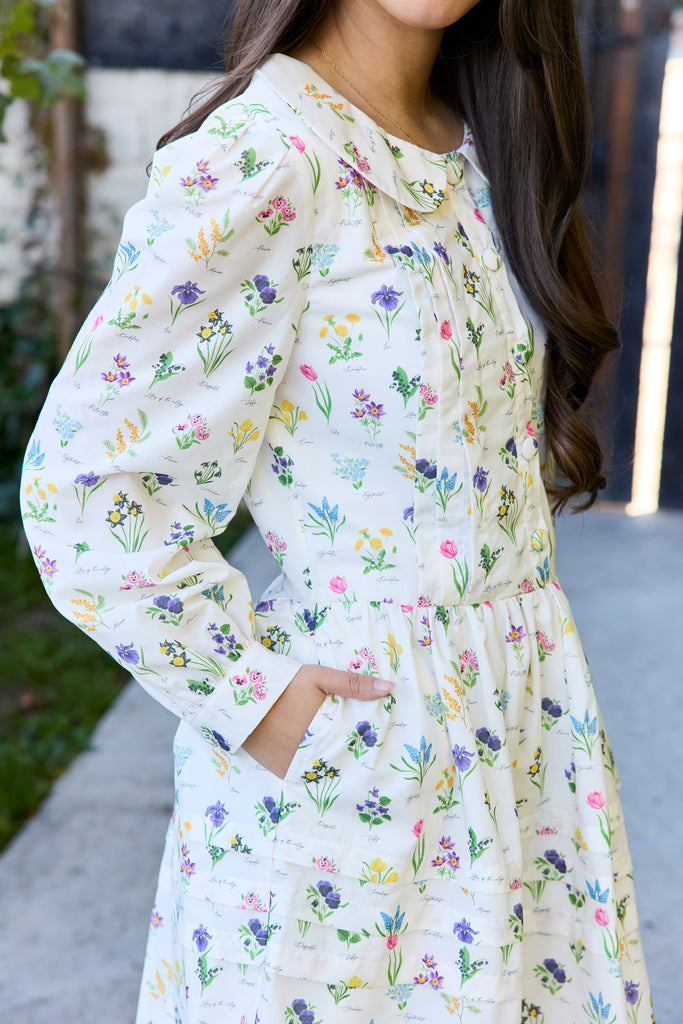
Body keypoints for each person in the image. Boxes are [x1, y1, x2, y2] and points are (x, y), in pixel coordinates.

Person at [20, 0, 654, 1021]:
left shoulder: (482, 143)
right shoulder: (270, 155)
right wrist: (253, 695)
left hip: (521, 742)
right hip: (352, 773)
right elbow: (87, 479)